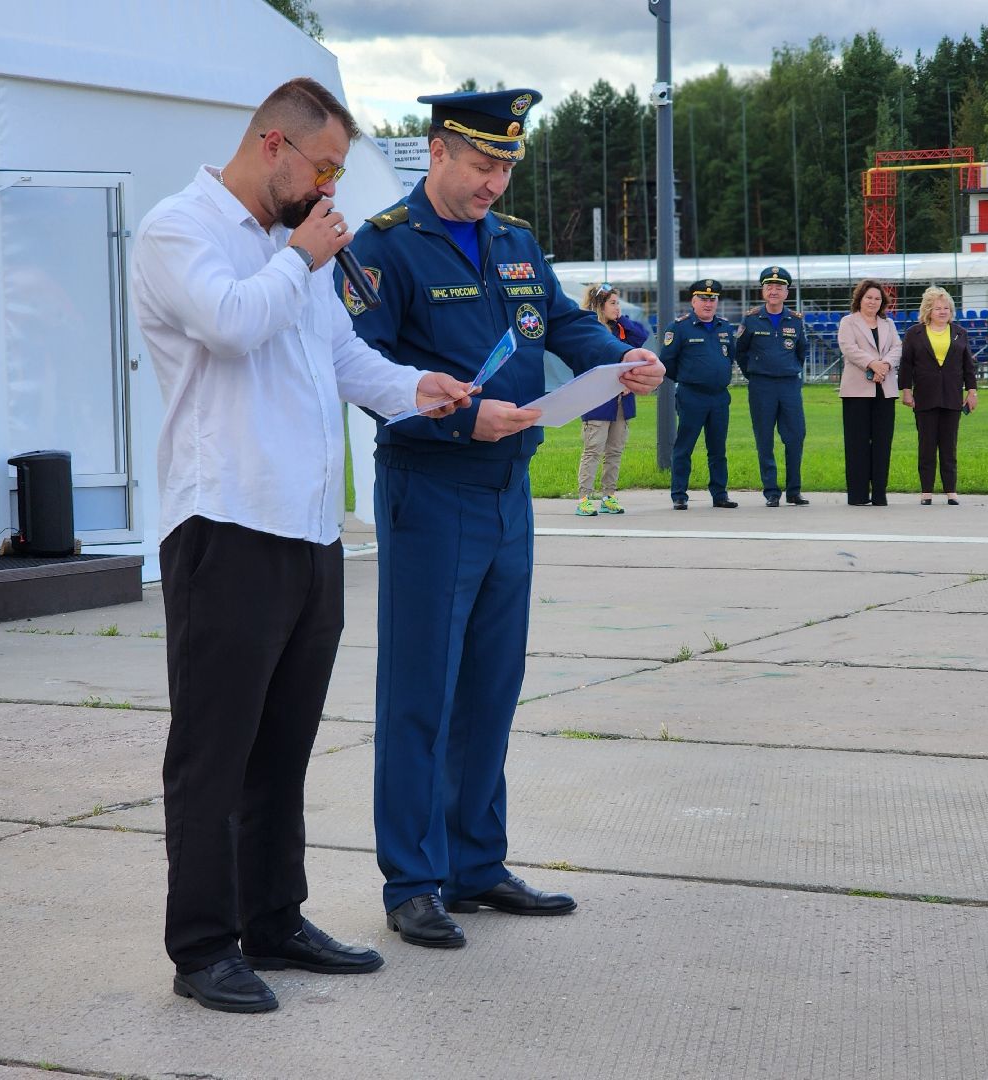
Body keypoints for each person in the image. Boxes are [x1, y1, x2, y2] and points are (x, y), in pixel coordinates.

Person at [130, 77, 473, 1013]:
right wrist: (300, 254)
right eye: (323, 169)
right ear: (273, 147)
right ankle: (203, 946)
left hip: (308, 528)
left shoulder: (297, 249)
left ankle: (273, 918)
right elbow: (234, 326)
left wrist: (415, 388)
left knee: (283, 745)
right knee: (214, 752)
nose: (332, 192)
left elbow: (335, 356)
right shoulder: (179, 229)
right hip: (227, 523)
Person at [343, 88, 664, 950]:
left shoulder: (515, 244)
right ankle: (412, 879)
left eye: (507, 167)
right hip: (430, 486)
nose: (495, 183)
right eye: (483, 165)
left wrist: (622, 357)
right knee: (420, 692)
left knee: (491, 684)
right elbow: (359, 364)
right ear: (438, 152)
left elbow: (560, 323)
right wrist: (454, 416)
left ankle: (477, 864)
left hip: (507, 488)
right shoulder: (382, 248)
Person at [659, 278, 737, 510]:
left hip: (719, 397)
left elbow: (729, 357)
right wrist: (688, 377)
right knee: (684, 447)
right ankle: (680, 495)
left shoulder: (726, 327)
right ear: (693, 301)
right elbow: (667, 362)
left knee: (718, 449)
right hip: (691, 395)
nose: (708, 303)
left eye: (712, 299)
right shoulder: (680, 328)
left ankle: (720, 494)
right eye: (703, 298)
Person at [897, 285, 978, 505]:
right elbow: (906, 364)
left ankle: (951, 491)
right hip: (924, 397)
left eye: (946, 308)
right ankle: (926, 492)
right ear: (928, 311)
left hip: (952, 397)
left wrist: (972, 391)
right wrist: (906, 390)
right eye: (937, 308)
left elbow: (967, 365)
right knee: (927, 446)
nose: (942, 312)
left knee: (949, 446)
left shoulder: (960, 332)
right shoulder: (914, 333)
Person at [736, 266, 808, 507]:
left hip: (789, 385)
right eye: (770, 287)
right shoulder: (751, 318)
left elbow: (801, 352)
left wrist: (788, 369)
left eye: (779, 287)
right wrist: (755, 374)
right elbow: (741, 352)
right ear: (763, 290)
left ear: (787, 292)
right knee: (764, 438)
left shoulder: (796, 321)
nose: (774, 291)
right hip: (761, 386)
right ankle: (771, 491)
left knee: (795, 437)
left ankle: (794, 490)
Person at [574, 282, 647, 515]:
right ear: (599, 306)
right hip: (597, 401)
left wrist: (621, 319)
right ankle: (585, 497)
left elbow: (641, 335)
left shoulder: (620, 329)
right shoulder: (588, 331)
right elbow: (586, 365)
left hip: (622, 402)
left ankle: (609, 496)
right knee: (593, 450)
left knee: (615, 450)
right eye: (613, 303)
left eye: (618, 303)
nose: (618, 308)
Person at [836, 279, 902, 506]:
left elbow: (897, 348)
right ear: (860, 299)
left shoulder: (888, 324)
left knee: (883, 442)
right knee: (857, 443)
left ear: (882, 301)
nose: (873, 301)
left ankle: (880, 494)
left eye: (877, 298)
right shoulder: (848, 322)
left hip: (885, 388)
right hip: (857, 391)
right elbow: (849, 349)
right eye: (868, 297)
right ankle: (858, 494)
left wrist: (884, 366)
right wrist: (873, 364)